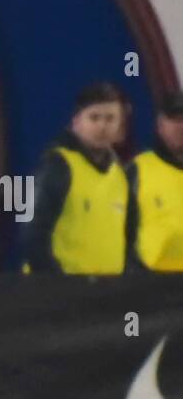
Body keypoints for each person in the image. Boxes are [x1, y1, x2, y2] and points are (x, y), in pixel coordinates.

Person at [24, 82, 128, 274]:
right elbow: (31, 235)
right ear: (76, 121)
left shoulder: (119, 174)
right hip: (60, 293)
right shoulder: (57, 165)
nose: (102, 126)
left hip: (109, 292)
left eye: (110, 118)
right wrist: (58, 285)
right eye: (94, 117)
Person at [126, 91, 183, 271]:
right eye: (175, 119)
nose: (181, 126)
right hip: (155, 285)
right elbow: (117, 234)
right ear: (160, 125)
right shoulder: (138, 170)